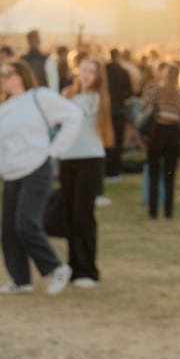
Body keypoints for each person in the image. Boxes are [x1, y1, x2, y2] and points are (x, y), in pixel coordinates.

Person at [0, 59, 82, 294]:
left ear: (22, 75)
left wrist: (55, 151)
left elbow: (74, 116)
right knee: (9, 231)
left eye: (8, 73)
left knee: (26, 224)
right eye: (1, 75)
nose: (4, 79)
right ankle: (21, 281)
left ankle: (57, 268)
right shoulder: (3, 109)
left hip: (37, 170)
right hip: (12, 174)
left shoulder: (39, 97)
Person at [58, 57, 114, 287]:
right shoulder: (70, 95)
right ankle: (73, 265)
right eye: (83, 70)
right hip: (68, 158)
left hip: (90, 159)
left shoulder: (97, 99)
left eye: (91, 71)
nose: (87, 75)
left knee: (83, 214)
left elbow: (75, 112)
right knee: (70, 214)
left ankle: (88, 270)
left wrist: (64, 99)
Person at [141, 62, 180, 219]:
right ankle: (168, 211)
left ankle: (153, 211)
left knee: (154, 173)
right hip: (173, 134)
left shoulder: (155, 91)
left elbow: (144, 107)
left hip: (157, 133)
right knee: (170, 174)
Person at [104, 47, 133, 180]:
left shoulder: (104, 70)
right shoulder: (123, 72)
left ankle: (106, 169)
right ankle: (115, 170)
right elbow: (129, 92)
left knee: (107, 140)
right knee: (118, 141)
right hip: (119, 110)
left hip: (106, 110)